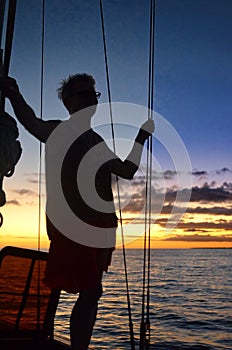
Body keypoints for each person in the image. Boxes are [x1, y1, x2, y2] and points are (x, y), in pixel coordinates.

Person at [0, 74, 154, 350]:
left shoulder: (98, 141)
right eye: (83, 94)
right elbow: (32, 123)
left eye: (92, 95)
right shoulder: (60, 131)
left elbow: (127, 171)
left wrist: (140, 139)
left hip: (102, 229)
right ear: (69, 102)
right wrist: (14, 95)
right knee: (90, 291)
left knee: (88, 292)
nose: (89, 100)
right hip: (74, 226)